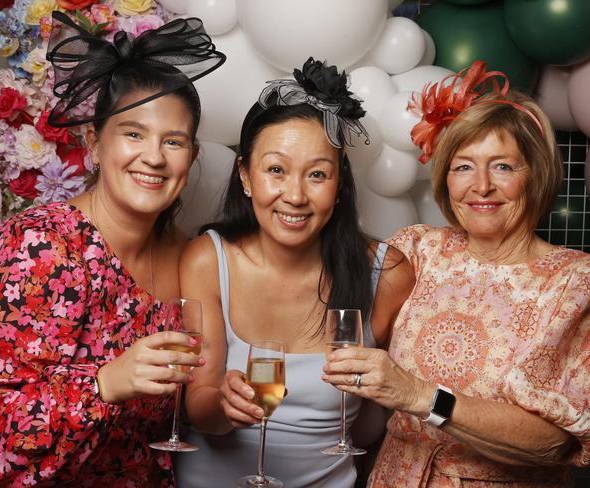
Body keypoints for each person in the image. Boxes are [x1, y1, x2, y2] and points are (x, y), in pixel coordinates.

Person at [323, 60, 590, 487]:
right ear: (444, 178)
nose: (480, 186)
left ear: (535, 175)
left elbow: (556, 444)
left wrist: (420, 396)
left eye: (502, 166)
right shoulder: (420, 249)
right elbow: (326, 295)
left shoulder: (578, 282)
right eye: (463, 166)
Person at [0, 12, 225, 486]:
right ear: (93, 142)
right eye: (133, 133)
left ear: (190, 157)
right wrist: (105, 383)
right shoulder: (39, 247)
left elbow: (182, 413)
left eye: (174, 141)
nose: (154, 156)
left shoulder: (186, 255)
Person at [174, 57, 415, 487]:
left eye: (317, 174)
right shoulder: (208, 260)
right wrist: (224, 405)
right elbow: (202, 411)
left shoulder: (387, 274)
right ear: (245, 176)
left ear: (340, 184)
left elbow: (374, 424)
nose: (295, 195)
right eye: (276, 170)